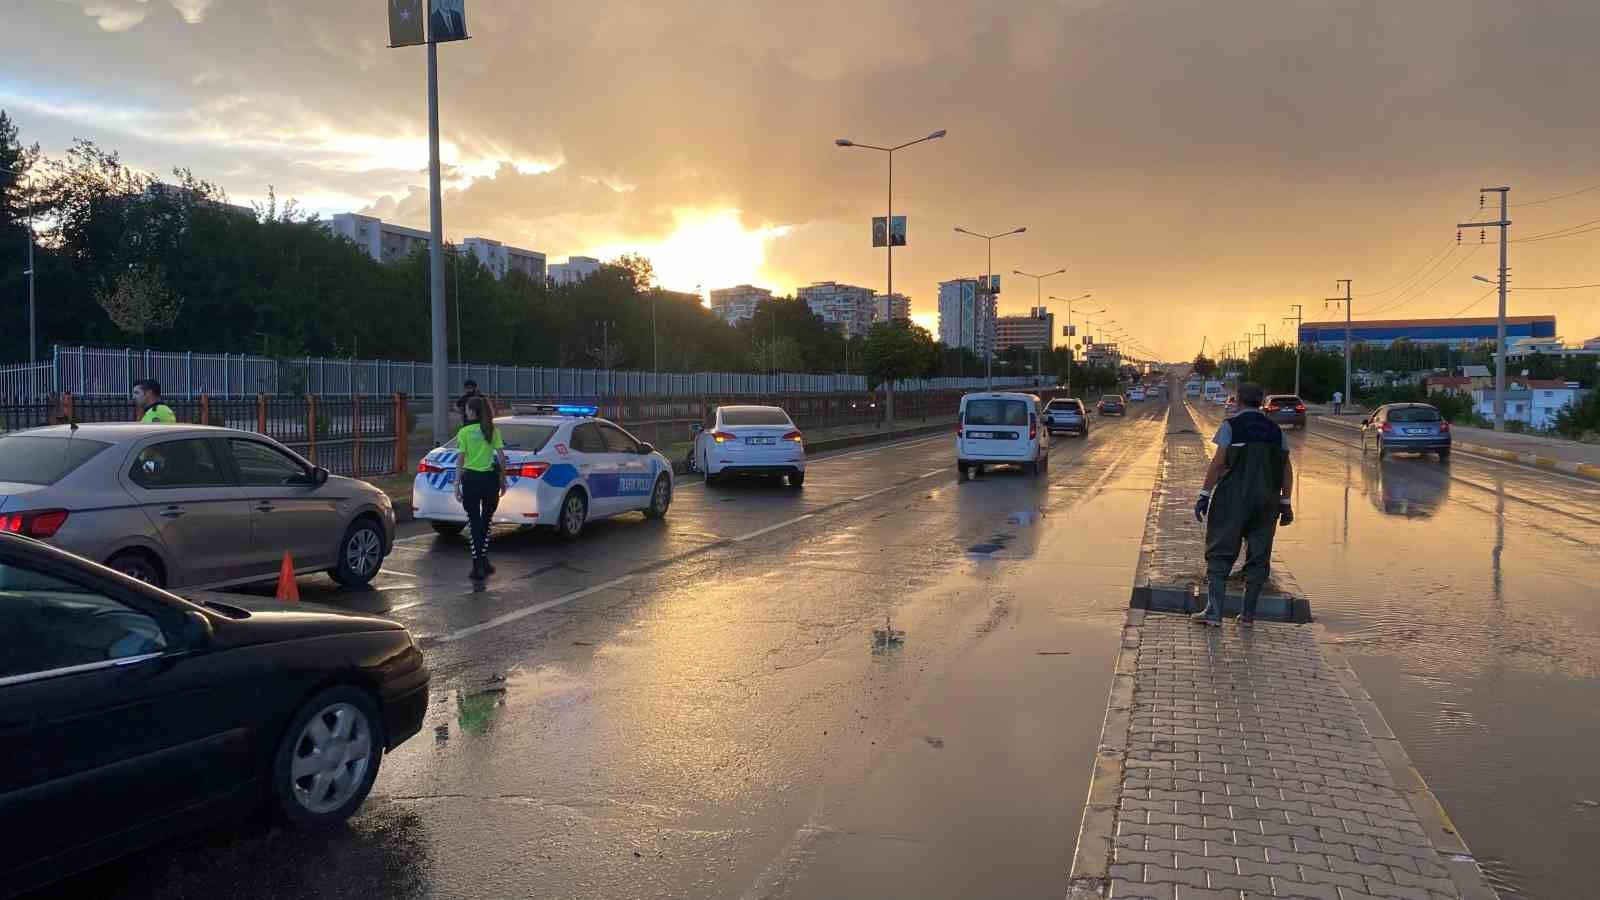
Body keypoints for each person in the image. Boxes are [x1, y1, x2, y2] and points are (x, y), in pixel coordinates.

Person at [1192, 383, 1294, 627]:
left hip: (1232, 500)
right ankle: (1247, 616)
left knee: (1220, 551)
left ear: (1237, 401)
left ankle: (1214, 613)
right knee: (1259, 556)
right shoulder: (1275, 430)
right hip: (1266, 502)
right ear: (1261, 402)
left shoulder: (1231, 427)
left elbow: (1218, 464)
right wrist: (1286, 502)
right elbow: (1287, 469)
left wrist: (1204, 494)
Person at [454, 396, 508, 581]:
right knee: (486, 522)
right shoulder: (492, 430)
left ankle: (477, 564)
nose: (466, 412)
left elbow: (460, 459)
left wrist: (456, 485)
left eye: (468, 409)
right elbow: (501, 458)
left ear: (473, 411)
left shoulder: (465, 432)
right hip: (489, 481)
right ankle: (483, 562)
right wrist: (503, 480)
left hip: (471, 480)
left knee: (473, 523)